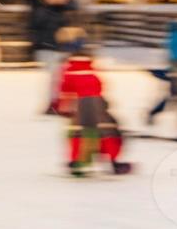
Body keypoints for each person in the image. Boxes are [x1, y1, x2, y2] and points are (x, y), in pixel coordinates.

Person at [56, 31, 130, 177]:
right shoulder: (89, 66)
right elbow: (99, 84)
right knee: (107, 130)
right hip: (96, 101)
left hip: (79, 103)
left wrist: (62, 106)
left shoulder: (69, 68)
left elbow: (65, 88)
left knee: (79, 132)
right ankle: (113, 160)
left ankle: (78, 161)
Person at [27, 0, 73, 114]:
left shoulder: (59, 10)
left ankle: (57, 104)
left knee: (59, 78)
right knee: (55, 78)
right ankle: (52, 104)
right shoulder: (42, 11)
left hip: (57, 49)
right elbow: (36, 28)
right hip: (47, 48)